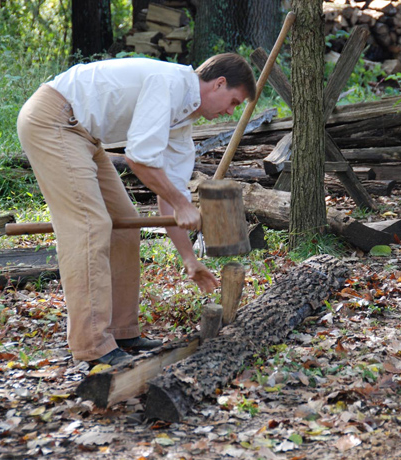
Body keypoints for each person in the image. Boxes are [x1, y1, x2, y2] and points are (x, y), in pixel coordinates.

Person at [17, 54, 256, 366]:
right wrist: (184, 205)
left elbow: (169, 195)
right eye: (233, 101)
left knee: (126, 225)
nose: (229, 111)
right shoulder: (170, 84)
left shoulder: (182, 124)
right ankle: (92, 346)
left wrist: (189, 258)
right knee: (90, 226)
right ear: (219, 83)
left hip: (85, 136)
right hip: (54, 120)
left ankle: (122, 330)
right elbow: (140, 159)